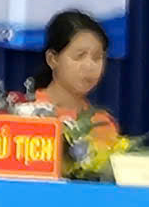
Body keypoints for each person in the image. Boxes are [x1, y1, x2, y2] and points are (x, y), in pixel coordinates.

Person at [31, 9, 120, 146]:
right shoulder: (26, 113)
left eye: (97, 57)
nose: (89, 66)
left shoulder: (102, 124)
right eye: (79, 56)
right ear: (52, 59)